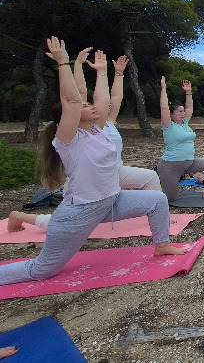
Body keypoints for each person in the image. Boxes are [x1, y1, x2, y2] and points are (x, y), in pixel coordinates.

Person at [0, 37, 183, 287]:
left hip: (112, 200)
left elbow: (104, 101)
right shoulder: (68, 140)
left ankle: (161, 245)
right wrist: (65, 64)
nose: (91, 106)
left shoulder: (97, 130)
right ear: (70, 117)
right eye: (85, 107)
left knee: (157, 200)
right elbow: (74, 100)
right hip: (80, 211)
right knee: (41, 270)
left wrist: (103, 73)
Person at [8, 52, 161, 232]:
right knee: (65, 225)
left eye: (90, 104)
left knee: (150, 178)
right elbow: (76, 96)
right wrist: (73, 66)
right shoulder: (75, 135)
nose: (93, 106)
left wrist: (115, 74)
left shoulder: (104, 123)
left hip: (111, 173)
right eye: (86, 106)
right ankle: (21, 217)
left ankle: (157, 215)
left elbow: (113, 98)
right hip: (86, 185)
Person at [156, 77, 204, 200]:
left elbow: (190, 108)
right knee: (170, 198)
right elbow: (164, 107)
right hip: (170, 167)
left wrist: (188, 92)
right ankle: (154, 185)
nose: (183, 113)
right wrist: (163, 88)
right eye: (180, 111)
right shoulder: (168, 125)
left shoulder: (185, 124)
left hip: (188, 163)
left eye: (183, 111)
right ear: (172, 114)